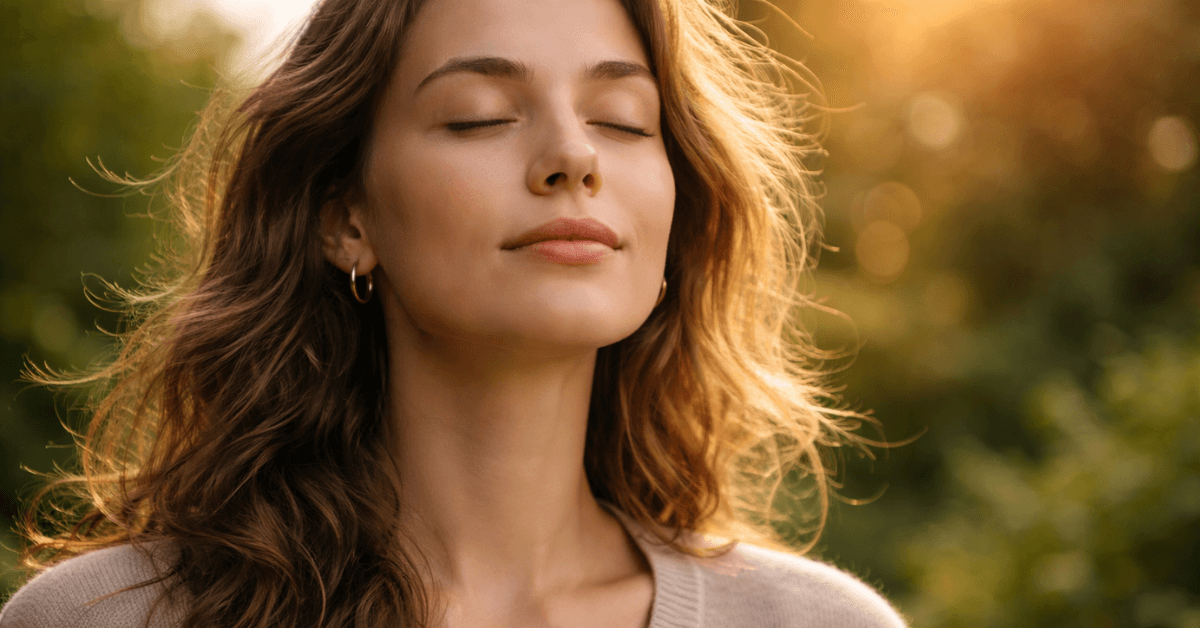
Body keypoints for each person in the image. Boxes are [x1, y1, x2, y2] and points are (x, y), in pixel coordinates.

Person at [0, 0, 908, 626]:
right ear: (345, 218)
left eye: (625, 120)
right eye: (478, 117)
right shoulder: (112, 618)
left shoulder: (817, 623)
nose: (571, 157)